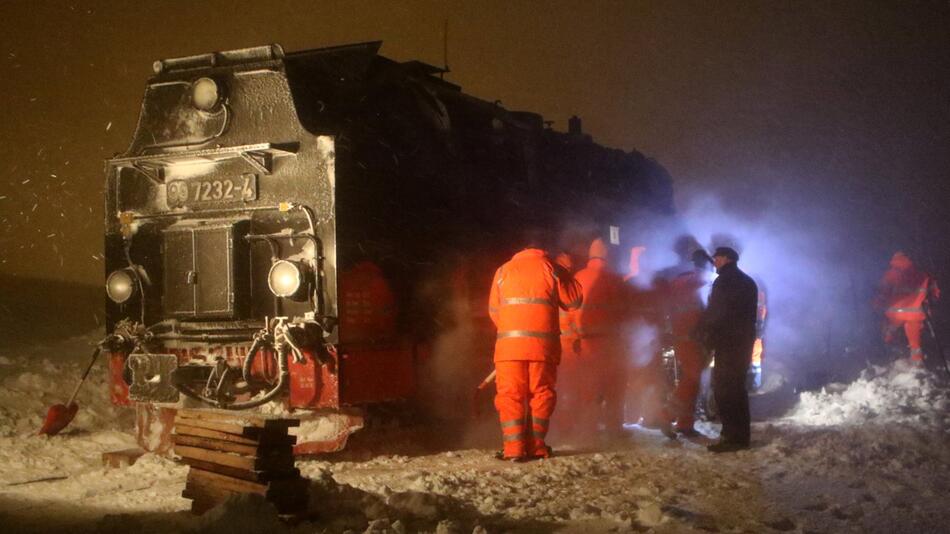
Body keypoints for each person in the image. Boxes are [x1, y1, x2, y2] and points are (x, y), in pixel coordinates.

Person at [489, 243, 582, 461]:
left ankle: (513, 449)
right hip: (543, 347)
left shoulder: (503, 271)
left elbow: (494, 311)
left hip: (509, 347)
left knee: (510, 396)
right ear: (543, 250)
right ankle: (537, 447)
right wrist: (566, 271)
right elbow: (574, 301)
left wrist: (514, 330)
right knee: (540, 394)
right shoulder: (551, 267)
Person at [697, 246, 758, 453]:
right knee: (738, 389)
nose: (714, 261)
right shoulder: (748, 282)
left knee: (725, 389)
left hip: (728, 342)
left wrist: (703, 334)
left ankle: (733, 437)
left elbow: (716, 313)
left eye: (717, 258)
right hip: (743, 342)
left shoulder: (724, 282)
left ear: (725, 259)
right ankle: (740, 435)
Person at [569, 238, 630, 440]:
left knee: (589, 387)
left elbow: (570, 312)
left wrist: (574, 337)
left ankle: (589, 428)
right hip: (611, 342)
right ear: (607, 255)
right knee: (614, 387)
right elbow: (623, 312)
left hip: (586, 342)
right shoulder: (613, 279)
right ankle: (614, 427)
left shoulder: (578, 277)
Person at [655, 247, 713, 437]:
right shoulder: (701, 281)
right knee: (691, 379)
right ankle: (666, 415)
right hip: (694, 339)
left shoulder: (679, 282)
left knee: (691, 380)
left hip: (682, 338)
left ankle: (685, 423)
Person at [875, 251, 940, 364]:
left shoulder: (891, 274)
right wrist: (931, 303)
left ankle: (887, 351)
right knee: (914, 339)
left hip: (895, 312)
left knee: (890, 329)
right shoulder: (922, 273)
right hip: (916, 312)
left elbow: (882, 292)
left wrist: (876, 306)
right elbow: (935, 293)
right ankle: (917, 361)